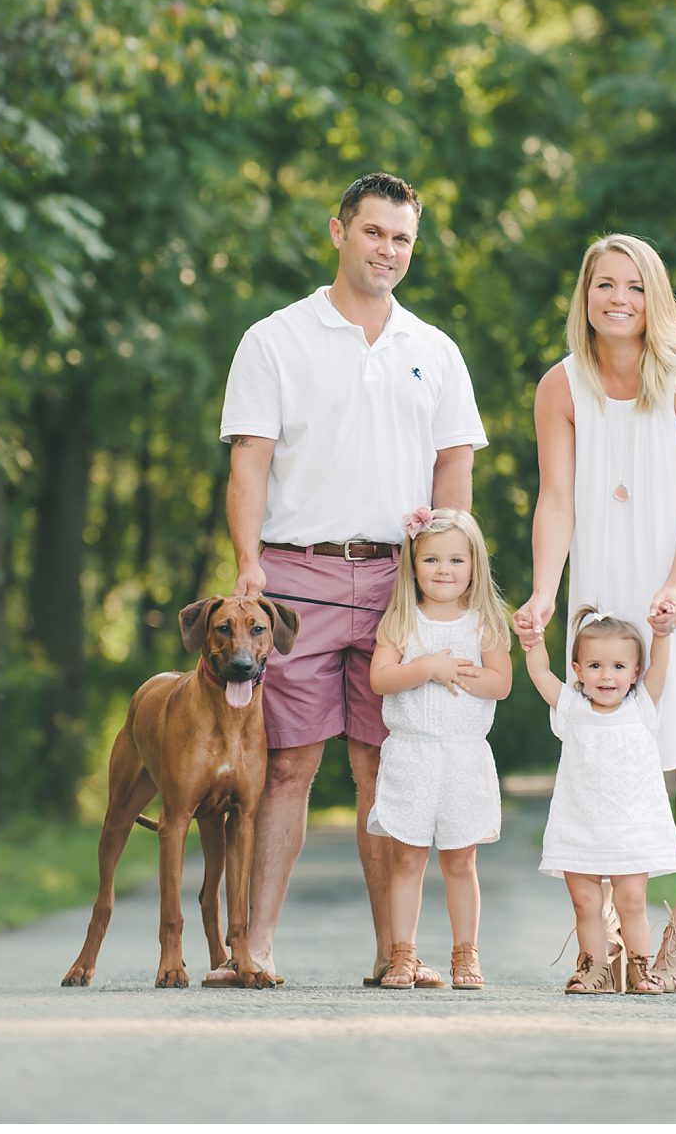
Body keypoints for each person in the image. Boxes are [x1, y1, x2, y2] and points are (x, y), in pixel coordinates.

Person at [218, 171, 488, 987]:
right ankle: (255, 947)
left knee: (386, 765)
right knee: (289, 766)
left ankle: (394, 952)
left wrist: (451, 577)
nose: (388, 249)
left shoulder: (434, 350)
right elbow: (249, 461)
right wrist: (248, 561)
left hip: (399, 584)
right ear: (339, 232)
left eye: (402, 238)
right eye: (374, 232)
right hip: (295, 579)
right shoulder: (275, 339)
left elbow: (454, 467)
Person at [511, 233, 676, 994]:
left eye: (634, 286)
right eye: (605, 284)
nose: (619, 298)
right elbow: (556, 501)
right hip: (608, 568)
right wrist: (544, 590)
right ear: (585, 295)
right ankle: (605, 943)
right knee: (608, 745)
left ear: (654, 297)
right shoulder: (560, 387)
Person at [365, 507, 514, 990]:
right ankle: (402, 954)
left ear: (474, 566)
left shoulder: (484, 623)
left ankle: (465, 954)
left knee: (460, 860)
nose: (443, 570)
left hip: (463, 757)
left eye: (455, 560)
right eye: (431, 560)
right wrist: (428, 668)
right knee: (407, 859)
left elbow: (501, 684)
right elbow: (381, 678)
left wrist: (461, 674)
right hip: (411, 755)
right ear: (413, 565)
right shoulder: (401, 621)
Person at [520, 605, 676, 994]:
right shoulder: (572, 708)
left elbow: (661, 663)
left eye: (618, 667)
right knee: (585, 903)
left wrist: (661, 633)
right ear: (578, 670)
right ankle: (595, 968)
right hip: (579, 822)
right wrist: (533, 640)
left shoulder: (642, 706)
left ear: (635, 672)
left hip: (631, 825)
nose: (606, 676)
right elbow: (540, 673)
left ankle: (640, 967)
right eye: (595, 666)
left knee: (632, 901)